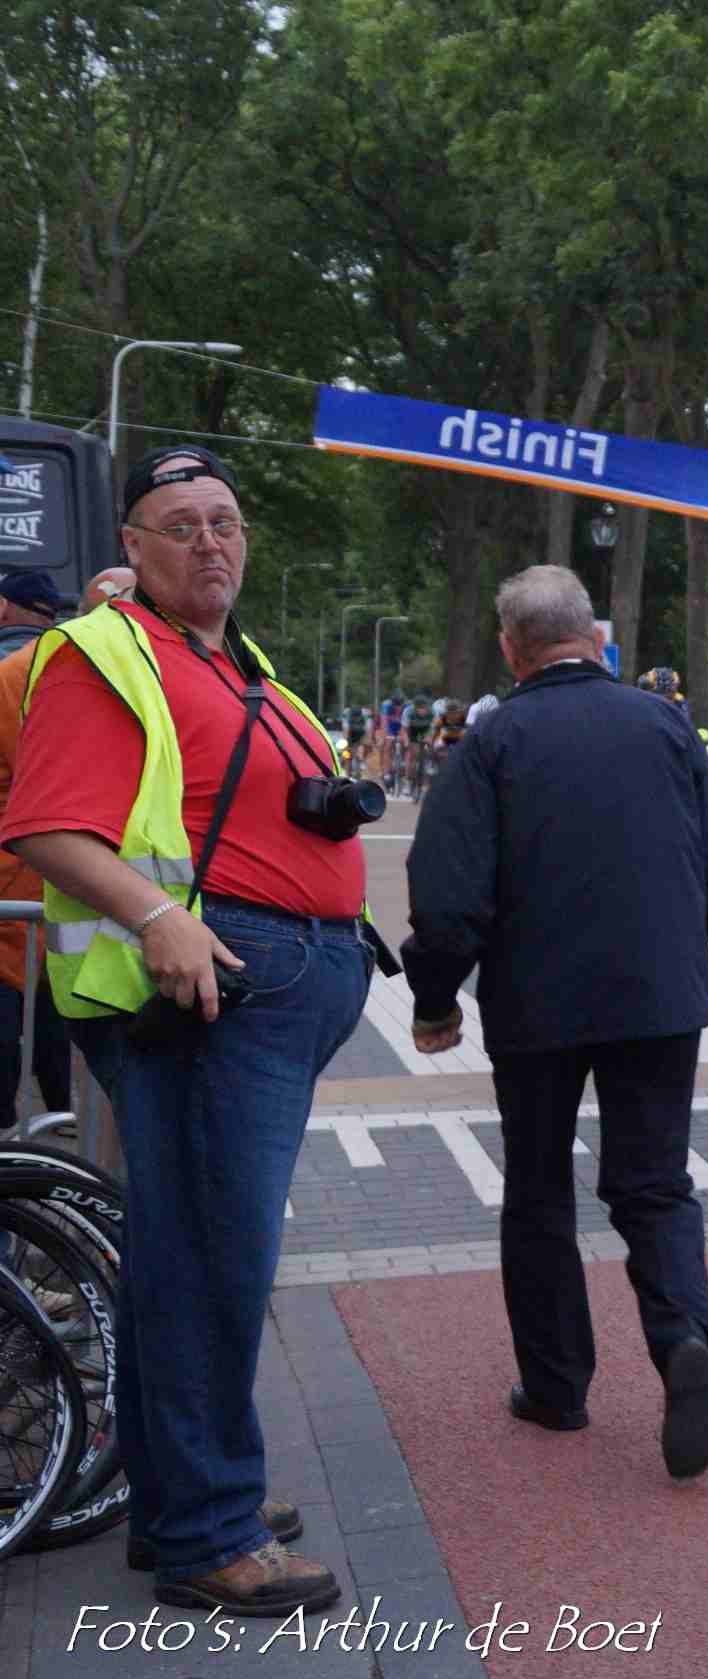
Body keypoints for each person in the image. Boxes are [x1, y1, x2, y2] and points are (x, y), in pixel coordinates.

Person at [3, 447, 392, 1617]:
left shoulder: (234, 661)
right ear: (132, 546)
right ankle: (209, 1529)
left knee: (191, 1252)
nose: (209, 541)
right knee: (215, 1261)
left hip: (262, 994)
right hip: (206, 997)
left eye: (224, 520)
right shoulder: (104, 652)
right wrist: (159, 916)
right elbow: (46, 824)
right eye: (179, 525)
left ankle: (181, 1493)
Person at [400, 565, 708, 1480]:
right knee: (654, 1182)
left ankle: (557, 1387)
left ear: (510, 649)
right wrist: (671, 948)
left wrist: (434, 998)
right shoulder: (667, 726)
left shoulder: (492, 741)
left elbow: (447, 896)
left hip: (537, 1002)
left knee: (540, 1185)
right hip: (659, 999)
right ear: (594, 638)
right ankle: (682, 1339)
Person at [0, 568, 93, 1121]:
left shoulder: (14, 672)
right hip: (70, 864)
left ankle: (10, 1128)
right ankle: (60, 1110)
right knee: (53, 993)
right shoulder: (71, 663)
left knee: (8, 999)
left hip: (15, 862)